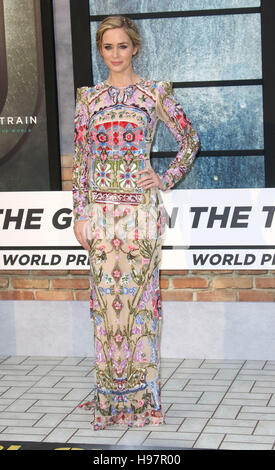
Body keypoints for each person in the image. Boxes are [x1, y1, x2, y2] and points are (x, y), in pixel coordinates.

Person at [72, 15, 200, 431]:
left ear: (135, 47)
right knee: (106, 310)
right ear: (100, 50)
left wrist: (163, 177)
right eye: (107, 47)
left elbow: (190, 140)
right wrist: (79, 213)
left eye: (122, 46)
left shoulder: (153, 93)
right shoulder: (88, 99)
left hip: (141, 216)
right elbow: (81, 163)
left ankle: (145, 399)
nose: (115, 55)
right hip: (101, 217)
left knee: (142, 307)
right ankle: (109, 397)